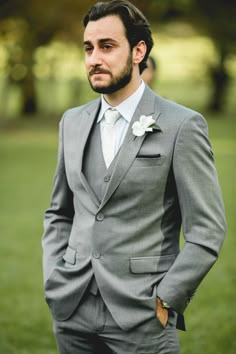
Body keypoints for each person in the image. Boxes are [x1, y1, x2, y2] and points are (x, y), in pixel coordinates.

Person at [42, 1, 226, 353]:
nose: (94, 58)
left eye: (107, 46)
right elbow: (59, 213)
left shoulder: (182, 125)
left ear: (139, 50)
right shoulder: (72, 122)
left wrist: (167, 299)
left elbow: (207, 230)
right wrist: (54, 277)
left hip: (143, 317)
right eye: (88, 48)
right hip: (71, 312)